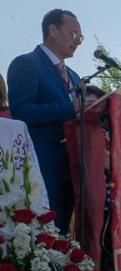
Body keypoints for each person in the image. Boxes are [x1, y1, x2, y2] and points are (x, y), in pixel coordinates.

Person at [7, 8, 83, 232]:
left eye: (81, 36)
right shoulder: (26, 64)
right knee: (45, 234)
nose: (78, 41)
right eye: (73, 33)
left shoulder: (75, 77)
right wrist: (69, 109)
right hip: (42, 166)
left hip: (73, 168)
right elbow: (22, 111)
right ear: (53, 30)